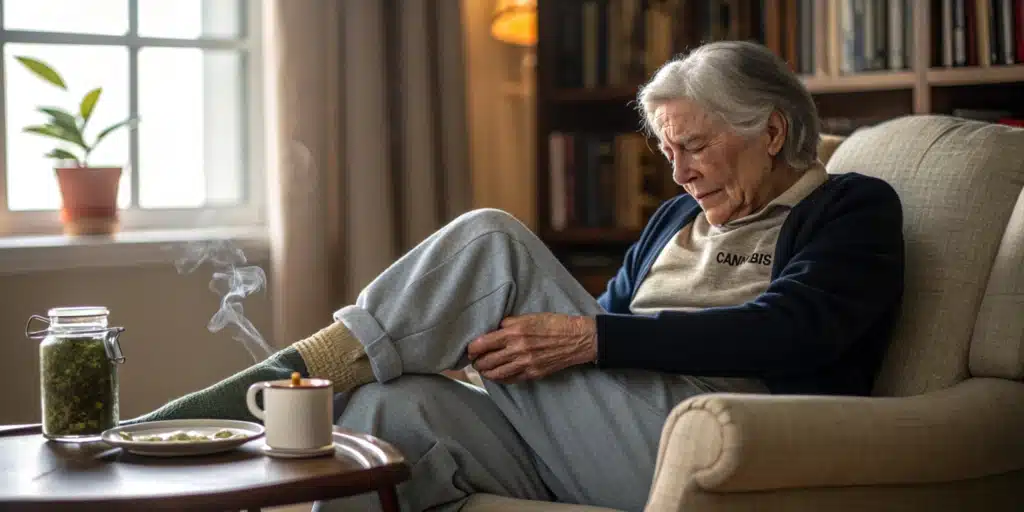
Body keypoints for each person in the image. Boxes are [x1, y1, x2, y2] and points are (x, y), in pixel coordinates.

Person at [132, 40, 905, 512]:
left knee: (492, 241)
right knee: (389, 408)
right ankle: (316, 384)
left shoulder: (850, 208)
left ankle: (262, 390)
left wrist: (588, 341)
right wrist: (540, 351)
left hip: (718, 438)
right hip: (612, 437)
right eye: (667, 153)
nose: (679, 174)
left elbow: (796, 333)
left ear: (770, 131)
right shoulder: (678, 221)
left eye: (695, 147)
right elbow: (602, 331)